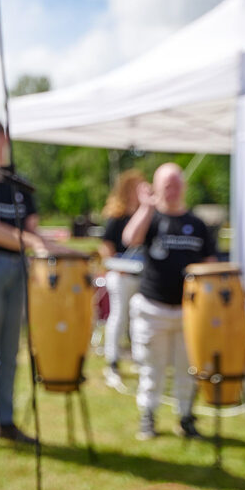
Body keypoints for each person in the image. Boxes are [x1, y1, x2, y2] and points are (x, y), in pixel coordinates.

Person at [0, 117, 65, 455]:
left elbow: (34, 229)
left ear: (2, 137)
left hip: (17, 268)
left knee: (9, 352)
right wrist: (33, 243)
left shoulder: (19, 182)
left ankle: (6, 422)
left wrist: (67, 250)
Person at [123, 163, 217, 440]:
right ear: (157, 186)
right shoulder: (151, 218)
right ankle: (148, 416)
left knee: (188, 369)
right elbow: (130, 239)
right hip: (153, 308)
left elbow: (210, 263)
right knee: (152, 368)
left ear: (183, 187)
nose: (172, 190)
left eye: (176, 184)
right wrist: (146, 207)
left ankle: (186, 417)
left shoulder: (197, 224)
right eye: (166, 185)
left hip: (189, 311)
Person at [98, 169, 145, 383]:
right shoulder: (117, 217)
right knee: (119, 315)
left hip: (141, 275)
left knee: (139, 317)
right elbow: (105, 246)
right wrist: (118, 266)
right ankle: (112, 359)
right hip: (121, 275)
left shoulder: (145, 215)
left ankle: (139, 357)